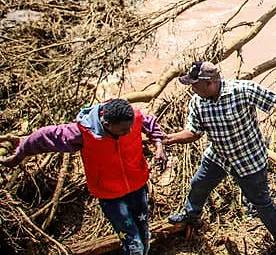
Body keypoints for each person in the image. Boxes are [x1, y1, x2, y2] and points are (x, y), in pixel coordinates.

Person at [163, 61, 276, 250]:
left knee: (261, 202)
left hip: (248, 160)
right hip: (218, 156)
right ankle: (191, 215)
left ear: (209, 83)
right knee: (198, 184)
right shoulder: (197, 102)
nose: (192, 88)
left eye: (195, 84)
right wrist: (172, 138)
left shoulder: (242, 90)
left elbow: (275, 98)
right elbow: (194, 132)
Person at [0, 99, 168, 255]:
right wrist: (18, 156)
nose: (130, 131)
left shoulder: (132, 117)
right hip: (110, 196)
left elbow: (149, 123)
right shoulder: (83, 133)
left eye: (131, 127)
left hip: (138, 186)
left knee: (144, 235)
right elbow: (44, 137)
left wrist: (159, 145)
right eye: (124, 130)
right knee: (134, 245)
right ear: (107, 125)